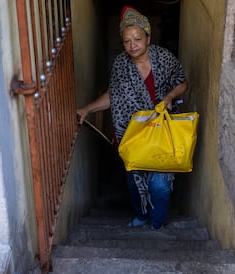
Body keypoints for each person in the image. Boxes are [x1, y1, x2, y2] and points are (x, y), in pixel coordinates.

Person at [77, 6, 187, 230]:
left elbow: (182, 82)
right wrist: (87, 109)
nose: (133, 45)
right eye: (127, 41)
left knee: (160, 185)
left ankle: (157, 223)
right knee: (134, 181)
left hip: (161, 130)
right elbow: (113, 96)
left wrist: (169, 97)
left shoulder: (164, 58)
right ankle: (141, 214)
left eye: (137, 39)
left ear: (148, 37)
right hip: (133, 133)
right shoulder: (120, 65)